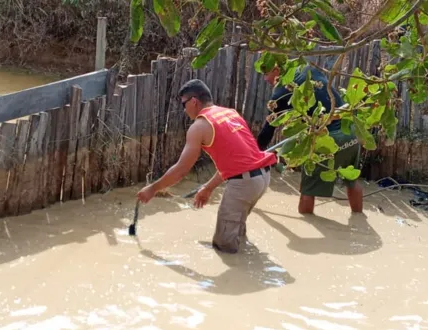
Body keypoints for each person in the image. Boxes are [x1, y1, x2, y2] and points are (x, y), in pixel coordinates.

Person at [137, 79, 277, 254]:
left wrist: (153, 188)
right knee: (237, 233)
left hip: (245, 183)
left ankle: (238, 275)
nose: (184, 109)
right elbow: (238, 161)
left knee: (223, 247)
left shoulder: (199, 126)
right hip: (262, 177)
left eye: (184, 103)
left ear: (194, 101)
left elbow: (181, 170)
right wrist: (208, 187)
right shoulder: (230, 113)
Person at [257, 64, 363, 214]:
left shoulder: (280, 93)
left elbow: (268, 131)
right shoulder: (307, 68)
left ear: (276, 70)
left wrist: (255, 155)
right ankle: (359, 220)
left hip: (327, 136)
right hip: (351, 132)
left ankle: (306, 221)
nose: (265, 79)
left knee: (308, 191)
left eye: (265, 73)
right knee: (352, 180)